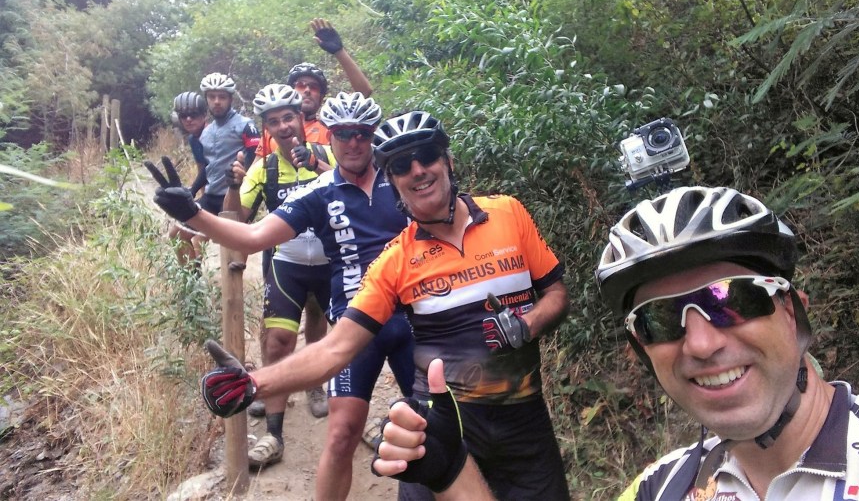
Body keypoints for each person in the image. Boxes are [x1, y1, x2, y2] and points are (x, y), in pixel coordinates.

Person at [375, 186, 859, 500]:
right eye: (661, 319)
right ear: (642, 350)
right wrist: (454, 473)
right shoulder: (660, 487)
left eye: (731, 299)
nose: (701, 343)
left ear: (793, 309)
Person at [155, 110, 572, 500]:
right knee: (343, 434)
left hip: (526, 426)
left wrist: (529, 323)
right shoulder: (393, 258)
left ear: (447, 161)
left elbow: (556, 294)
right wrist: (253, 384)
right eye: (402, 166)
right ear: (394, 180)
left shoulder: (509, 214)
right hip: (438, 430)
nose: (417, 170)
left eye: (427, 156)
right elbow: (334, 348)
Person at [146, 93, 417, 500]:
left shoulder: (400, 178)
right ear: (330, 134)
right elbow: (254, 237)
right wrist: (193, 215)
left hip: (413, 318)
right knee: (341, 434)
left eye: (362, 133)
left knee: (434, 424)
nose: (353, 142)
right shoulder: (319, 192)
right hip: (354, 325)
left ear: (373, 134)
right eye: (343, 134)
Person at [222, 84, 336, 468]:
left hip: (330, 263)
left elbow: (355, 187)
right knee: (277, 342)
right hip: (286, 263)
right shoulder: (264, 167)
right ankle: (273, 434)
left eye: (289, 118)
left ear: (301, 119)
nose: (284, 126)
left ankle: (319, 388)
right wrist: (233, 185)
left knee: (335, 333)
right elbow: (237, 218)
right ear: (267, 130)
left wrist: (316, 165)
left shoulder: (327, 153)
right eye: (274, 122)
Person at [255, 18, 372, 159]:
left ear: (322, 96)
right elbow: (256, 169)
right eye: (301, 85)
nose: (307, 90)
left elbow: (364, 93)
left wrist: (339, 52)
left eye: (314, 87)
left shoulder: (331, 127)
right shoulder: (273, 131)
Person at [195, 72, 260, 218]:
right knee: (179, 230)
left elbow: (257, 160)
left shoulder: (246, 125)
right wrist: (192, 190)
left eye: (222, 97)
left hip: (235, 196)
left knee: (219, 231)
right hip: (210, 196)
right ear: (206, 99)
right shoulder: (205, 132)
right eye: (212, 97)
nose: (217, 101)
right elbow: (207, 168)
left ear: (231, 99)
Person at [166, 91, 208, 268]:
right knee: (183, 236)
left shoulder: (212, 135)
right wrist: (200, 196)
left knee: (184, 235)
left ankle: (192, 276)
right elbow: (201, 168)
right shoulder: (193, 139)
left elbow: (212, 168)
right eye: (184, 116)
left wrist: (193, 190)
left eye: (194, 114)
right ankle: (192, 276)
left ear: (204, 115)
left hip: (228, 195)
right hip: (211, 195)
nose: (189, 119)